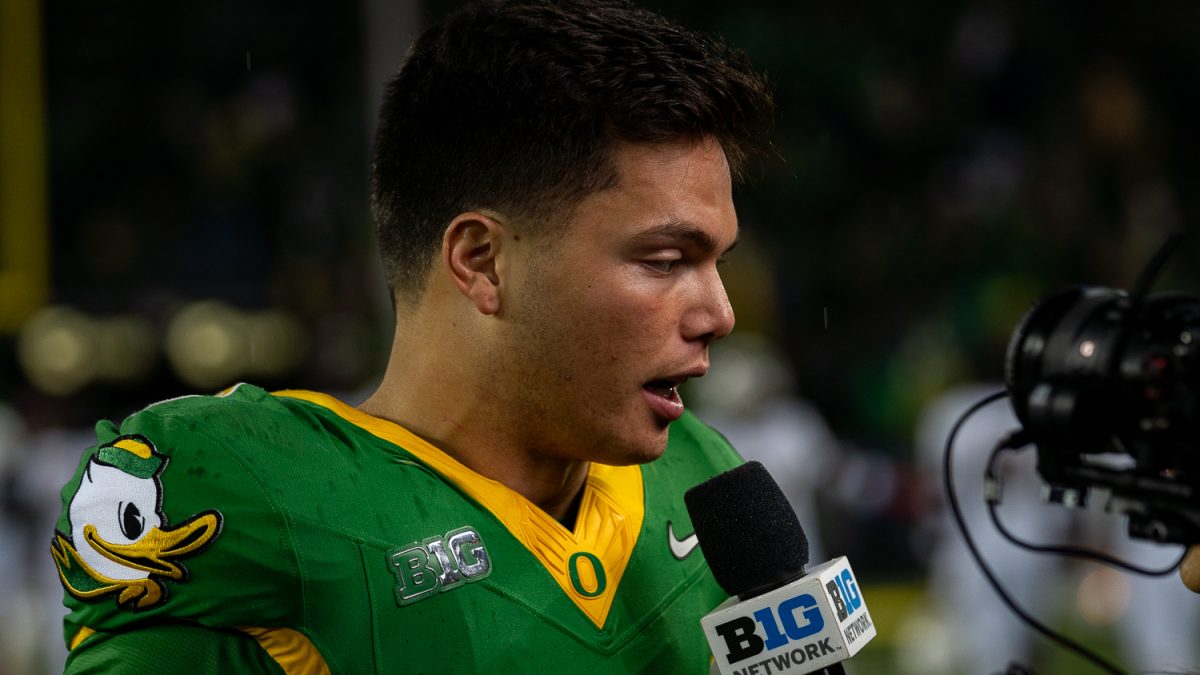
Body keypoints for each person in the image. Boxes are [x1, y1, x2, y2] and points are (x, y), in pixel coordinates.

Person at [50, 0, 774, 672]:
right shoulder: (253, 498)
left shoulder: (702, 476)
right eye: (666, 260)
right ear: (482, 261)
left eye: (717, 261)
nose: (719, 312)